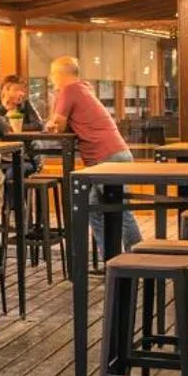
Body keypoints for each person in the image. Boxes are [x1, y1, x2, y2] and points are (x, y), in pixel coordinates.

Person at [46, 55, 140, 254]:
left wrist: (55, 105)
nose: (51, 77)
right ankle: (112, 258)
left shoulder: (69, 90)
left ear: (60, 74)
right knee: (96, 210)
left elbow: (57, 126)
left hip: (106, 157)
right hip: (116, 153)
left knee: (120, 211)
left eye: (53, 73)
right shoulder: (84, 87)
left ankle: (138, 258)